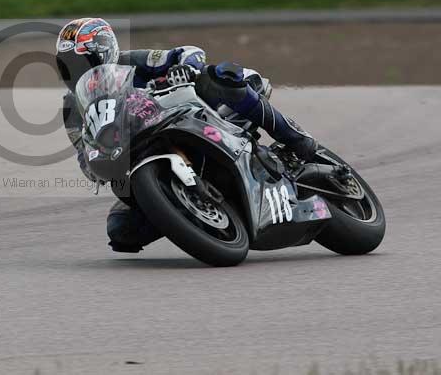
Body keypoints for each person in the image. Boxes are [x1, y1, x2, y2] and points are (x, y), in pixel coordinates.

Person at [55, 17, 317, 253]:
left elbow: (188, 52)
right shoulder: (72, 108)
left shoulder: (131, 60)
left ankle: (295, 138)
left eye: (80, 61)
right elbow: (82, 150)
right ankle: (193, 213)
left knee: (222, 76)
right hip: (136, 151)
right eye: (66, 65)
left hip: (189, 113)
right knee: (120, 229)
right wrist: (94, 164)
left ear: (104, 51)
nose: (74, 70)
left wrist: (184, 69)